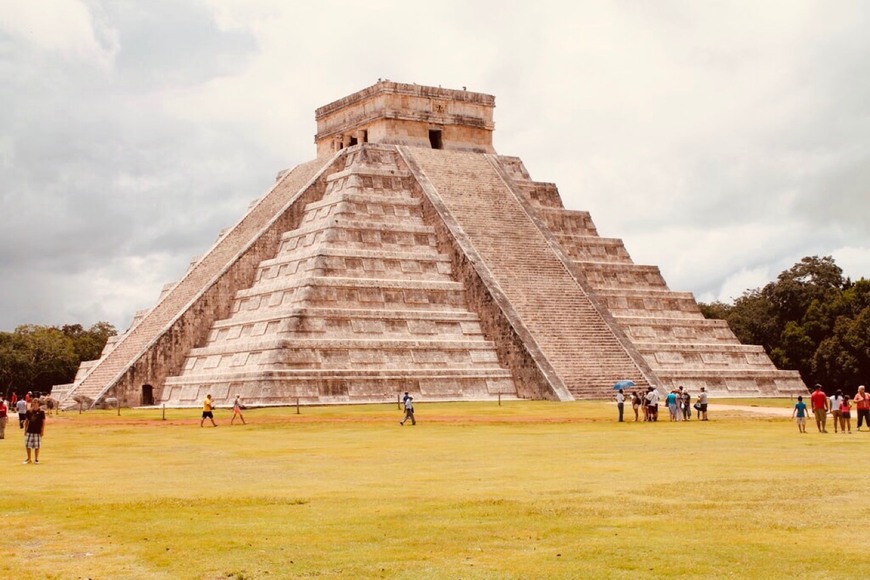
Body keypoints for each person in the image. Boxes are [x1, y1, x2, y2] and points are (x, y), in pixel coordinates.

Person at [23, 399, 46, 464]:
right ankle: (29, 458)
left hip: (37, 431)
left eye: (36, 402)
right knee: (28, 445)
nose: (35, 404)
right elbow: (26, 421)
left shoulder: (41, 412)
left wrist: (42, 431)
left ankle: (36, 459)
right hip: (29, 430)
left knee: (37, 446)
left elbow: (43, 422)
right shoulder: (29, 411)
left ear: (38, 403)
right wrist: (25, 430)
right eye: (33, 402)